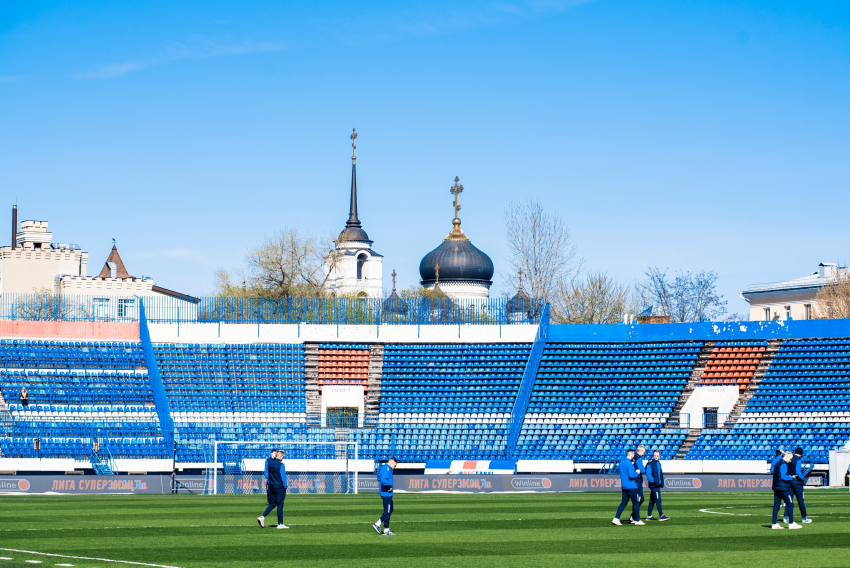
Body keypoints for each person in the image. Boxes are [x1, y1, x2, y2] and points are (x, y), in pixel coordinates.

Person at [258, 450, 288, 529]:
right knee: (280, 504)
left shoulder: (269, 462)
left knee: (272, 503)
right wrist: (285, 486)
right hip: (279, 486)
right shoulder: (281, 465)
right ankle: (280, 523)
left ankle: (262, 517)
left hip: (271, 486)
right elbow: (283, 477)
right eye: (283, 457)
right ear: (281, 456)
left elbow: (267, 474)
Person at [612, 449, 643, 526]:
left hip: (624, 486)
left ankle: (616, 518)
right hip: (632, 486)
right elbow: (631, 475)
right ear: (632, 455)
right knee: (636, 503)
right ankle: (637, 520)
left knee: (623, 503)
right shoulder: (629, 464)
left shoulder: (621, 462)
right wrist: (637, 472)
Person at [771, 451, 800, 529]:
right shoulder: (783, 464)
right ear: (786, 457)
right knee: (790, 504)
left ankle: (774, 523)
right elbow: (783, 477)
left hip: (776, 487)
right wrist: (791, 477)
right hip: (783, 487)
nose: (790, 461)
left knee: (776, 505)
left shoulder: (777, 463)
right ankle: (791, 523)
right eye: (790, 459)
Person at [373, 457, 398, 535]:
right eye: (395, 466)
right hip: (386, 493)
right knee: (387, 511)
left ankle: (377, 524)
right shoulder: (387, 469)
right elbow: (383, 480)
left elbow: (379, 477)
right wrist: (389, 486)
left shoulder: (385, 468)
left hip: (386, 493)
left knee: (390, 510)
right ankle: (386, 529)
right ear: (392, 463)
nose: (395, 468)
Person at [645, 450, 669, 521]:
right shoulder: (650, 463)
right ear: (653, 455)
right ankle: (661, 515)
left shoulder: (658, 463)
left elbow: (660, 474)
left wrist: (661, 482)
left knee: (652, 500)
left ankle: (649, 515)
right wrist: (653, 481)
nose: (656, 457)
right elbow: (648, 474)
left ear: (659, 456)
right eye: (655, 455)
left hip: (657, 484)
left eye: (657, 455)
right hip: (654, 485)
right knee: (658, 499)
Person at [789, 448, 811, 523]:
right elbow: (798, 471)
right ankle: (804, 518)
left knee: (789, 500)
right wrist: (801, 478)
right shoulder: (798, 460)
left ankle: (786, 517)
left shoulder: (790, 459)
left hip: (790, 480)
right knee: (800, 500)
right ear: (800, 454)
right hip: (797, 482)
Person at [629, 445, 646, 522]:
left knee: (639, 499)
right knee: (639, 499)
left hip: (634, 480)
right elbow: (642, 470)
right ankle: (634, 517)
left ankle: (633, 515)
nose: (644, 453)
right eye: (643, 452)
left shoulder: (633, 457)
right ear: (640, 451)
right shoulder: (638, 459)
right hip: (637, 481)